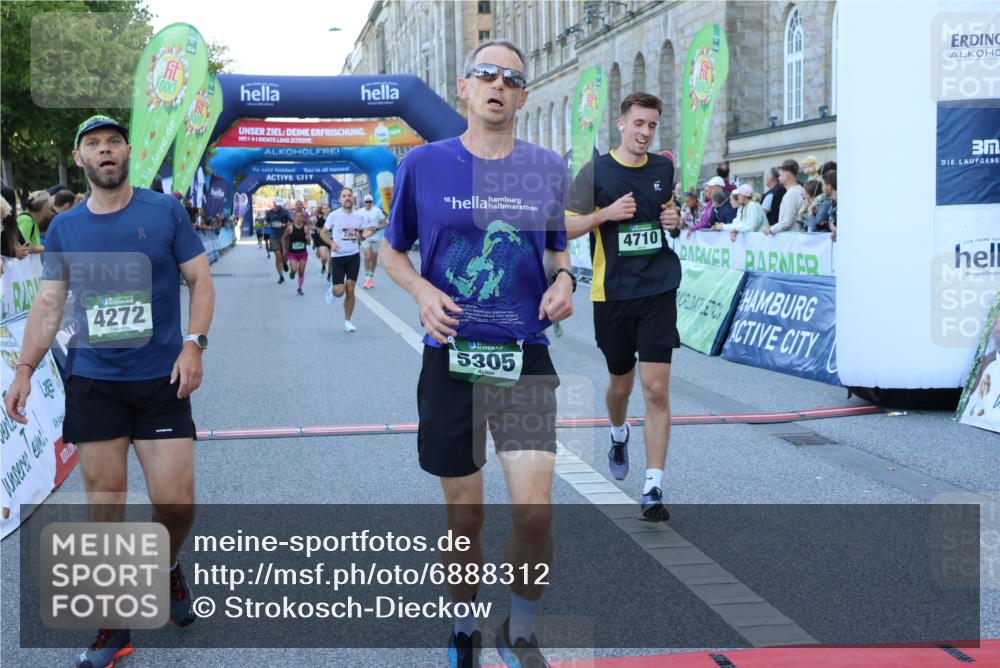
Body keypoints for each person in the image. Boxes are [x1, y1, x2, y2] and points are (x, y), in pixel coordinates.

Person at [380, 39, 574, 668]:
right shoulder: (424, 166)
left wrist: (569, 280)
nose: (498, 84)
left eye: (511, 78)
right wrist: (420, 290)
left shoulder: (545, 167)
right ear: (463, 88)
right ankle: (464, 625)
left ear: (523, 95)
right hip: (452, 357)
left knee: (534, 513)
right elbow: (391, 251)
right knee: (466, 517)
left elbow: (555, 252)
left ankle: (520, 626)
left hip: (522, 356)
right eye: (485, 74)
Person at [2, 114, 215, 668]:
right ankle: (112, 626)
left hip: (161, 379)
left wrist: (194, 343)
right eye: (93, 145)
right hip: (95, 380)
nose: (105, 151)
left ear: (126, 153)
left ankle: (165, 565)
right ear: (81, 160)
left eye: (113, 142)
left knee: (176, 502)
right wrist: (25, 367)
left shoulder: (164, 211)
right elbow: (49, 305)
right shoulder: (65, 229)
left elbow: (200, 279)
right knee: (106, 505)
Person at [565, 90, 681, 524]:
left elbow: (667, 214)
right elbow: (564, 226)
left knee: (656, 389)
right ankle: (618, 432)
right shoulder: (595, 172)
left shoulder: (663, 167)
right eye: (639, 124)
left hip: (658, 289)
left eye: (652, 125)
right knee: (621, 384)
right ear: (621, 124)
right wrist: (604, 214)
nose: (645, 133)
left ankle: (652, 486)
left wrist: (675, 220)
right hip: (612, 294)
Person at [321, 188, 372, 333]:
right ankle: (332, 289)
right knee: (339, 292)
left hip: (353, 255)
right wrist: (331, 244)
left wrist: (364, 235)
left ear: (353, 198)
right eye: (344, 196)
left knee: (351, 287)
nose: (347, 198)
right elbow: (323, 233)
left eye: (349, 195)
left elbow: (360, 236)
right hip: (338, 257)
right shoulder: (334, 216)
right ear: (340, 199)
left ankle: (348, 321)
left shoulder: (359, 216)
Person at [766, 159, 805, 235]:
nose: (778, 178)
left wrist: (771, 229)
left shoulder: (790, 194)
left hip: (791, 239)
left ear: (786, 176)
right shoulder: (801, 190)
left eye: (780, 175)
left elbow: (787, 221)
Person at [358, 193, 388, 288]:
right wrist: (361, 232)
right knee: (367, 257)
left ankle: (371, 277)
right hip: (365, 238)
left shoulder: (377, 211)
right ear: (364, 202)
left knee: (374, 259)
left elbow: (385, 223)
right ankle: (367, 278)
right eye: (366, 202)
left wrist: (377, 228)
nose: (368, 203)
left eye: (370, 202)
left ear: (372, 202)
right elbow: (355, 224)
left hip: (376, 238)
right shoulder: (359, 212)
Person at [283, 210, 311, 295]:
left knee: (301, 271)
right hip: (293, 253)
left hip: (303, 253)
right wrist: (284, 248)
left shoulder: (306, 229)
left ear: (303, 218)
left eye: (300, 216)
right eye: (297, 216)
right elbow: (284, 238)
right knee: (295, 269)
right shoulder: (290, 228)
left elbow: (309, 243)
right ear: (294, 218)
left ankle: (299, 288)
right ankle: (292, 272)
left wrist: (308, 239)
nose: (299, 218)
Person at [16, 189, 52, 254]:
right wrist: (44, 248)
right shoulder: (27, 219)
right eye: (50, 207)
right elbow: (22, 246)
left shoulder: (31, 219)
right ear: (44, 207)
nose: (51, 210)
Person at [266, 196, 291, 282]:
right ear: (274, 203)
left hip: (285, 236)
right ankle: (281, 276)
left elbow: (291, 221)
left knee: (284, 255)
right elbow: (266, 222)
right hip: (274, 236)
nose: (278, 206)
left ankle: (284, 262)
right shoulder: (269, 212)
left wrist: (286, 226)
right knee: (278, 254)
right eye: (277, 204)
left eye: (280, 205)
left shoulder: (285, 212)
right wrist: (266, 223)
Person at [312, 204, 331, 277]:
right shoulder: (319, 220)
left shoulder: (334, 218)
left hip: (332, 240)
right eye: (324, 208)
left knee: (331, 260)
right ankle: (323, 267)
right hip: (322, 240)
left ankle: (329, 275)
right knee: (324, 257)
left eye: (327, 208)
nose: (325, 210)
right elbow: (316, 232)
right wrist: (316, 245)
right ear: (322, 210)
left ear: (329, 209)